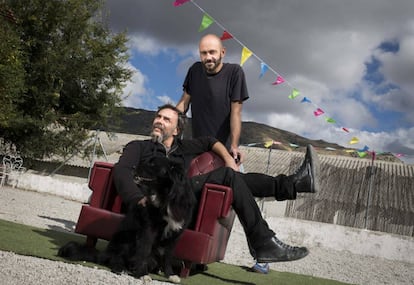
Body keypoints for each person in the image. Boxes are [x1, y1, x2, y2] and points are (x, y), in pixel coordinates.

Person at [113, 104, 320, 263]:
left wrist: (230, 159)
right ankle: (269, 233)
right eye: (158, 117)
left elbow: (210, 141)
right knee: (228, 177)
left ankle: (295, 186)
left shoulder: (183, 147)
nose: (159, 121)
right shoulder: (138, 146)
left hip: (182, 203)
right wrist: (137, 199)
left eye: (166, 119)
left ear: (176, 130)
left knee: (234, 177)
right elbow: (121, 171)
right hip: (155, 202)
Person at [176, 34, 248, 163]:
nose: (208, 57)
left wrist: (234, 146)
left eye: (212, 52)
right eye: (204, 53)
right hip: (198, 148)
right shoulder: (195, 70)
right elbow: (183, 104)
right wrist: (168, 124)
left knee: (232, 180)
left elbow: (236, 113)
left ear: (223, 52)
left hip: (225, 151)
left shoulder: (234, 72)